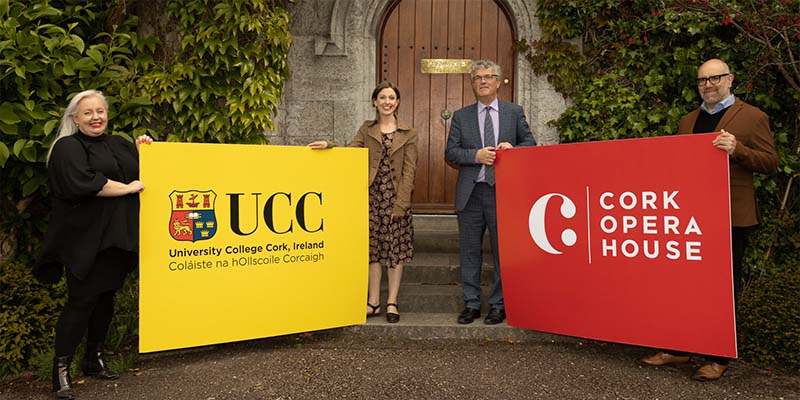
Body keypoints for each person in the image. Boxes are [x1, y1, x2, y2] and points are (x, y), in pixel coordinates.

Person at [639, 59, 778, 381]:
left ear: (730, 79)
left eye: (715, 78)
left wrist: (738, 149)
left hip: (729, 217)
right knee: (683, 286)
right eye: (702, 80)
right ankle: (677, 348)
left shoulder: (753, 116)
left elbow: (771, 162)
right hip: (688, 217)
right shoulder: (688, 120)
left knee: (722, 289)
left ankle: (718, 356)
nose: (709, 85)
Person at [33, 90, 153, 399]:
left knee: (106, 298)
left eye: (100, 111)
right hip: (84, 239)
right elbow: (84, 182)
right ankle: (60, 372)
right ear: (74, 118)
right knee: (81, 300)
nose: (96, 117)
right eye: (88, 112)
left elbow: (147, 173)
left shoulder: (118, 144)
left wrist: (147, 150)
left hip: (118, 237)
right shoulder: (67, 147)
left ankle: (94, 359)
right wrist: (127, 188)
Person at [308, 81, 417, 324]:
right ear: (374, 102)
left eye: (391, 98)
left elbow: (410, 171)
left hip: (396, 200)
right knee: (373, 251)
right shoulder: (366, 129)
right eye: (382, 97)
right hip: (371, 198)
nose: (387, 102)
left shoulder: (409, 133)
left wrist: (401, 204)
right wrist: (329, 145)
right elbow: (350, 153)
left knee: (395, 252)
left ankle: (392, 302)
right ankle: (374, 301)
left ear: (397, 103)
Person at [444, 59, 536, 325]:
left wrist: (514, 150)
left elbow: (530, 143)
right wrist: (475, 155)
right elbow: (450, 152)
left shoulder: (513, 112)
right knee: (469, 251)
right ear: (472, 84)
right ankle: (471, 304)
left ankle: (498, 305)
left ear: (498, 82)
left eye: (488, 76)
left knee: (502, 252)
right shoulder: (461, 116)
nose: (482, 81)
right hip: (470, 195)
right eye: (477, 78)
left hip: (503, 194)